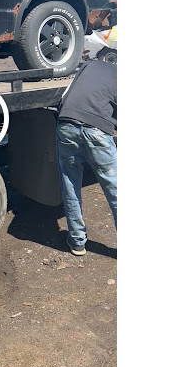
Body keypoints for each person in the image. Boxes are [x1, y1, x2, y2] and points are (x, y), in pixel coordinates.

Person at [56, 60, 117, 256]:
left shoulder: (90, 65)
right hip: (97, 132)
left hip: (66, 126)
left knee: (70, 185)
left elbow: (66, 95)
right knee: (115, 189)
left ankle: (77, 242)